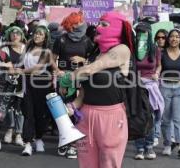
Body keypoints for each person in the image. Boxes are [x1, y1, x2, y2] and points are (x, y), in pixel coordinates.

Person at [62, 11, 134, 168]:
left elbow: (92, 69)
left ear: (117, 27)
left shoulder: (121, 50)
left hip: (111, 117)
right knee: (86, 163)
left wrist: (68, 78)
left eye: (104, 24)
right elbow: (85, 90)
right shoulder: (96, 52)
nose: (98, 27)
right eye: (99, 23)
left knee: (109, 162)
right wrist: (72, 106)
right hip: (86, 115)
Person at [16, 25, 62, 156]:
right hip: (27, 84)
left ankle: (39, 138)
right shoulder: (27, 47)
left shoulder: (46, 51)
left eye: (41, 34)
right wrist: (13, 68)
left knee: (41, 115)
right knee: (28, 113)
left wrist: (59, 72)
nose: (37, 36)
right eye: (36, 33)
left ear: (45, 37)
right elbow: (20, 62)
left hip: (43, 85)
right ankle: (28, 143)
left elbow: (38, 68)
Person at [52, 12, 93, 159]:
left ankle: (73, 144)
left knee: (76, 110)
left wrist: (82, 59)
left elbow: (93, 61)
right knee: (63, 111)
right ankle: (64, 140)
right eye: (76, 22)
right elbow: (52, 59)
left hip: (81, 78)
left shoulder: (87, 41)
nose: (80, 24)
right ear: (70, 25)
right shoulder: (61, 39)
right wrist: (58, 71)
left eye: (81, 21)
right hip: (65, 79)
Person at [133, 22, 164, 160]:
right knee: (138, 117)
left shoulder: (155, 48)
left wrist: (157, 73)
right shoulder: (132, 48)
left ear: (149, 33)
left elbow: (159, 65)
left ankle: (149, 146)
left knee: (150, 117)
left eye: (144, 32)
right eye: (139, 32)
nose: (142, 34)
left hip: (151, 86)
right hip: (136, 86)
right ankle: (139, 148)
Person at [160, 29, 180, 158]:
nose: (174, 39)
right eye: (172, 36)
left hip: (179, 88)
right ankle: (167, 144)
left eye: (177, 37)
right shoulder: (162, 53)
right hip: (164, 87)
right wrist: (156, 73)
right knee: (166, 119)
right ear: (168, 39)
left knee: (178, 118)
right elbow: (159, 67)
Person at [2, 26, 26, 146]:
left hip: (23, 82)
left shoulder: (26, 49)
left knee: (20, 107)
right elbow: (1, 62)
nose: (15, 35)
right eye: (12, 33)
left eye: (17, 33)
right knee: (9, 106)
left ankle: (19, 133)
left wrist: (23, 71)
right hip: (8, 81)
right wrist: (9, 67)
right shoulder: (5, 49)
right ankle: (9, 129)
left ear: (22, 36)